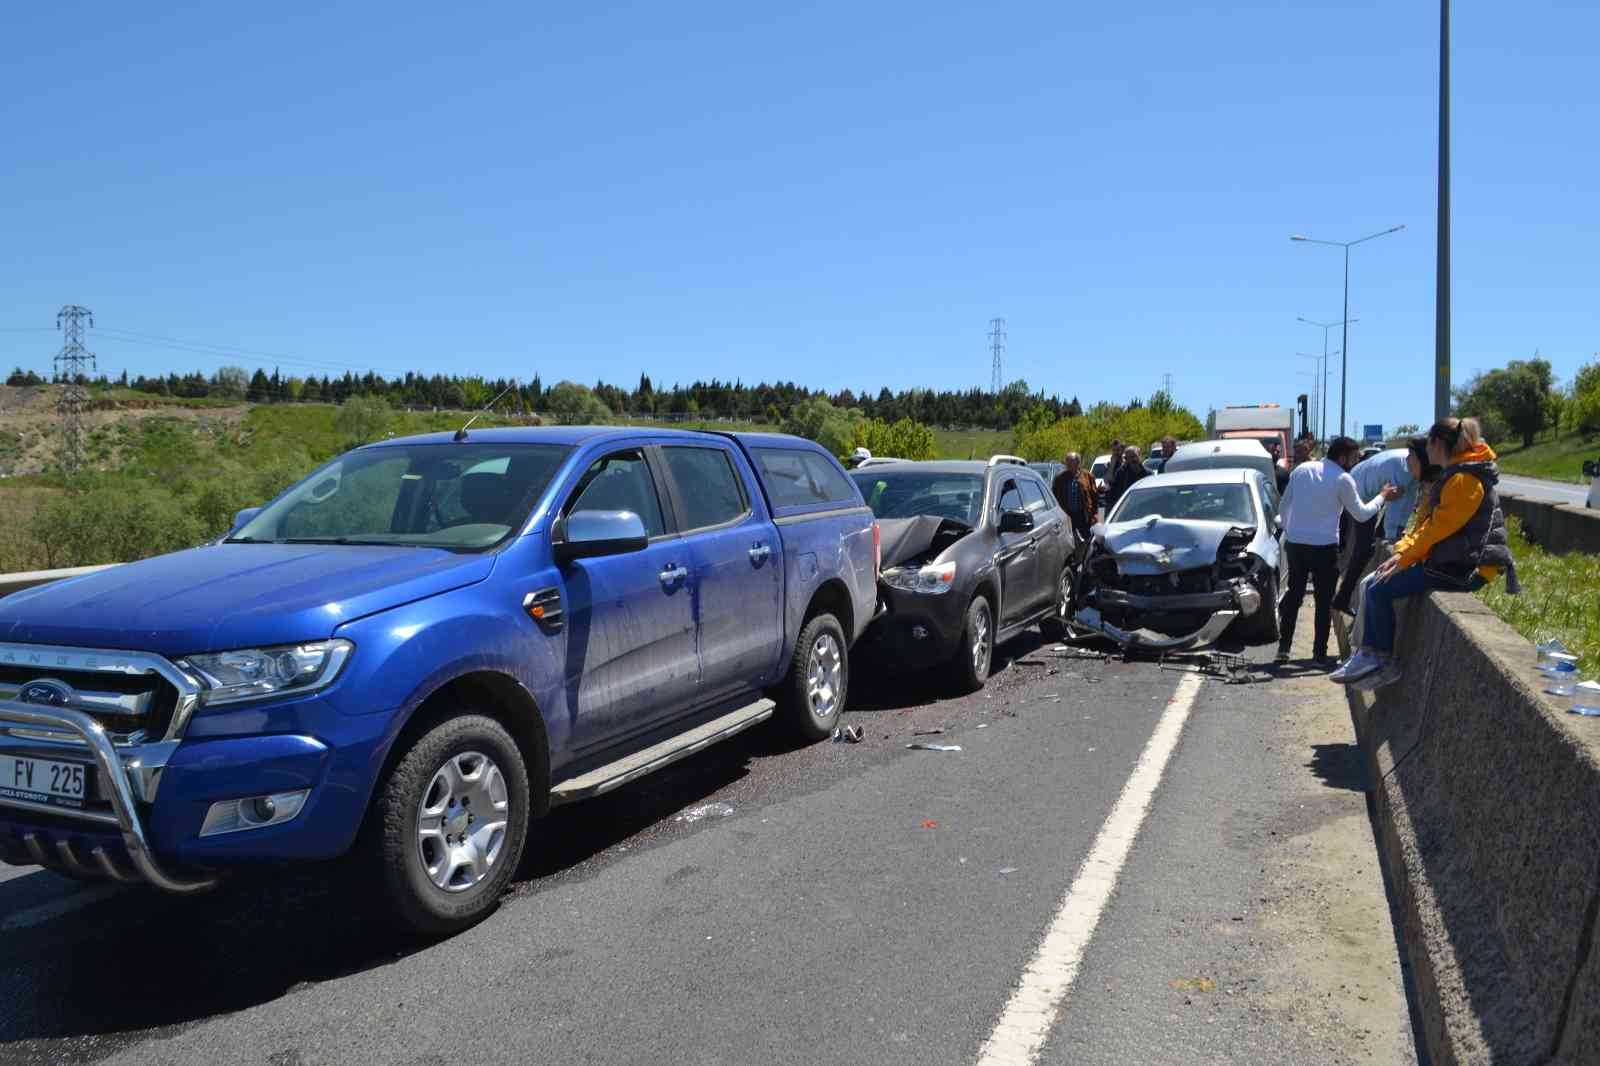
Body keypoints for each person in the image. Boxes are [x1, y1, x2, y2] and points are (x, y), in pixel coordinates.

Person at [1331, 418, 1519, 689]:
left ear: (1438, 444)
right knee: (1374, 583)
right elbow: (1428, 526)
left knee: (1378, 588)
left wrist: (1405, 557)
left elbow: (1438, 529)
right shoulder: (1456, 475)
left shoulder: (1464, 479)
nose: (1423, 451)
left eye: (1427, 442)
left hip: (1468, 568)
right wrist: (1402, 552)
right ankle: (1369, 655)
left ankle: (1382, 662)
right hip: (1454, 562)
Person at [1275, 436, 1400, 665]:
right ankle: (1319, 655)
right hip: (1324, 547)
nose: (1355, 462)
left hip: (1297, 544)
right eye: (1353, 457)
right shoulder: (1343, 479)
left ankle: (1283, 648)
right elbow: (1362, 514)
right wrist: (1382, 496)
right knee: (1324, 601)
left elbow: (1284, 506)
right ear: (1343, 457)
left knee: (1294, 594)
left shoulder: (1302, 470)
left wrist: (1290, 530)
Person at [1331, 437, 1425, 614]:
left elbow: (1409, 497)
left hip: (1368, 484)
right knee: (1365, 548)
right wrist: (1393, 534)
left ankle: (1342, 596)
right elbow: (1396, 501)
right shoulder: (1405, 467)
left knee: (1373, 540)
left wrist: (1400, 528)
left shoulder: (1410, 464)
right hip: (1360, 490)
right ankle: (1342, 598)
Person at [1051, 451, 1098, 553]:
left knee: (1086, 540)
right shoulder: (1060, 478)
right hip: (1066, 515)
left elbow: (1094, 496)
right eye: (1067, 462)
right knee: (1069, 540)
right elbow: (1054, 496)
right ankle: (1073, 561)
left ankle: (1084, 560)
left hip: (1083, 514)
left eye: (1071, 461)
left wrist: (1095, 514)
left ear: (1078, 463)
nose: (1068, 464)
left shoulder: (1087, 476)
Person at [1105, 445, 1147, 511]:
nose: (1132, 460)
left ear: (1139, 456)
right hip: (1126, 510)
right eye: (1128, 458)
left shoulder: (1148, 474)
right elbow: (1113, 493)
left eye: (1134, 456)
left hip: (1144, 508)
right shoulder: (1121, 473)